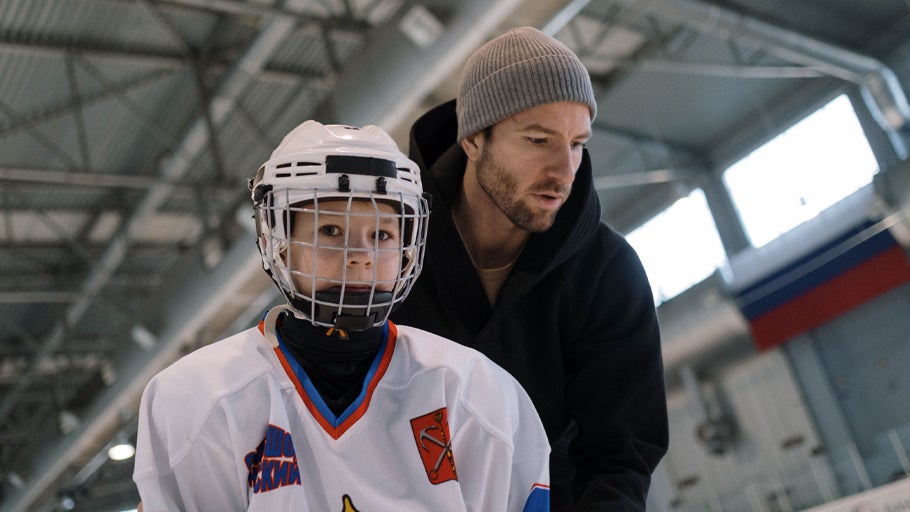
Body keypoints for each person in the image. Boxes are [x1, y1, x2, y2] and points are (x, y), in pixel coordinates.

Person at [132, 121, 551, 511]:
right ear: (279, 243)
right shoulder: (197, 398)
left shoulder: (474, 394)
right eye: (331, 230)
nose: (361, 258)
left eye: (382, 235)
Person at [390, 26, 669, 510]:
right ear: (474, 139)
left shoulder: (607, 272)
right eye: (539, 139)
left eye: (577, 143)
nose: (564, 170)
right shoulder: (388, 254)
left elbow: (619, 454)